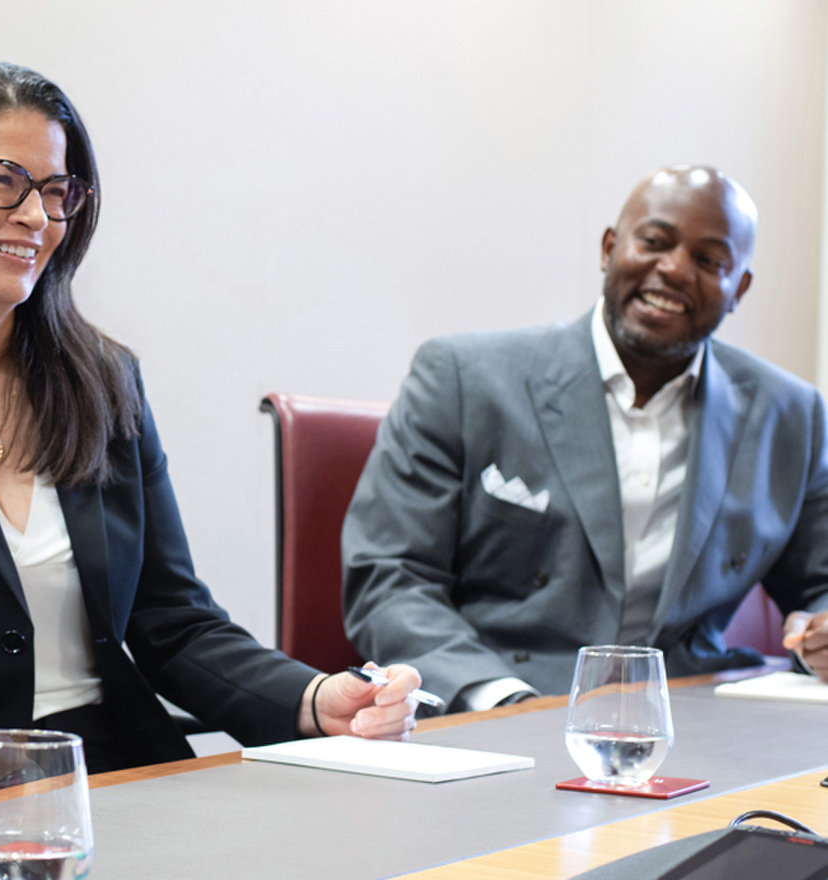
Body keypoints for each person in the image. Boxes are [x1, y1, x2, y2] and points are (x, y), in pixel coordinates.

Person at [0, 57, 421, 815]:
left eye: (56, 192)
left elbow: (172, 619)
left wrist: (313, 698)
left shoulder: (104, 379)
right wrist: (18, 781)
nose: (36, 217)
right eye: (2, 179)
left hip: (104, 765)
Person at [342, 165, 828, 713]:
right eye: (654, 241)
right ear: (609, 248)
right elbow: (391, 577)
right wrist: (503, 702)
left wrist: (819, 642)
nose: (673, 270)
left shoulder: (792, 413)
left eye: (708, 260)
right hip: (501, 710)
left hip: (694, 720)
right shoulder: (462, 379)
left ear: (738, 287)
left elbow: (820, 583)